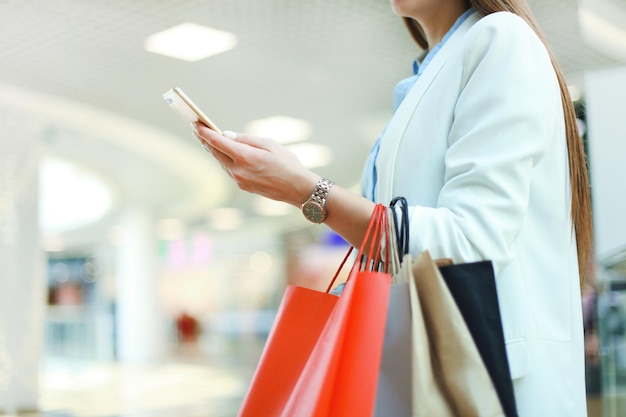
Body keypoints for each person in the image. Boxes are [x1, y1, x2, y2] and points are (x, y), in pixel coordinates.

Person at [193, 0, 593, 415]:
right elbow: (396, 244)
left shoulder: (500, 39)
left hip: (487, 385)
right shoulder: (425, 75)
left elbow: (471, 242)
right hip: (426, 374)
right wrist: (302, 186)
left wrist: (307, 190)